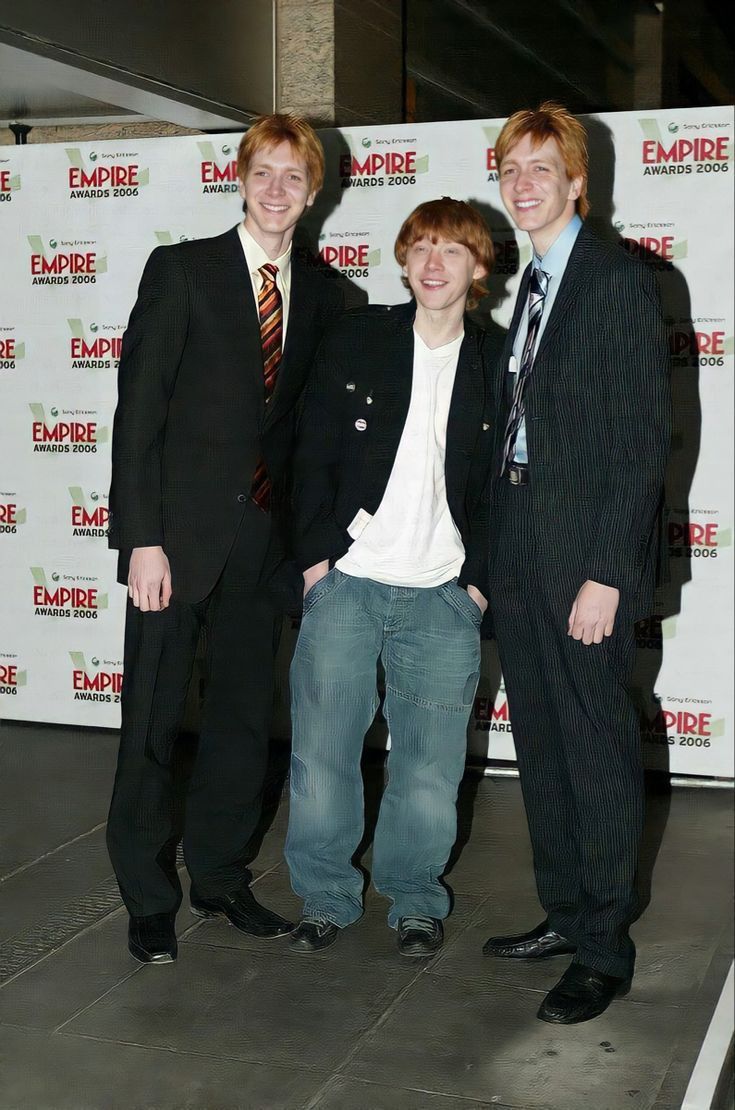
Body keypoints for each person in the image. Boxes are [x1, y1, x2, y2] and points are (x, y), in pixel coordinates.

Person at [107, 113, 343, 964]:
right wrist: (141, 539)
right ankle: (145, 893)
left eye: (294, 178)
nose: (277, 190)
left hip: (263, 548)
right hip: (173, 544)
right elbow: (138, 417)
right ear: (238, 178)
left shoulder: (326, 297)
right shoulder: (184, 272)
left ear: (314, 193)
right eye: (263, 173)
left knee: (244, 723)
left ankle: (218, 876)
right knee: (152, 723)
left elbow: (312, 433)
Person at [481, 103, 671, 1022]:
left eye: (540, 169)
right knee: (545, 750)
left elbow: (640, 445)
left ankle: (603, 948)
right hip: (519, 549)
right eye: (510, 168)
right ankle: (563, 911)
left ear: (576, 180)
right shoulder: (530, 282)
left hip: (581, 565)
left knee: (594, 752)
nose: (523, 184)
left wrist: (607, 573)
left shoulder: (616, 281)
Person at [284, 198, 495, 958]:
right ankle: (325, 896)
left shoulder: (495, 360)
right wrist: (316, 562)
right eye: (421, 248)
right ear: (404, 261)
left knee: (430, 770)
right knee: (321, 757)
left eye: (452, 250)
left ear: (478, 268)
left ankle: (413, 899)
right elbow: (308, 454)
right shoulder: (358, 341)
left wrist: (477, 585)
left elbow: (507, 484)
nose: (434, 264)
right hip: (349, 582)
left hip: (443, 594)